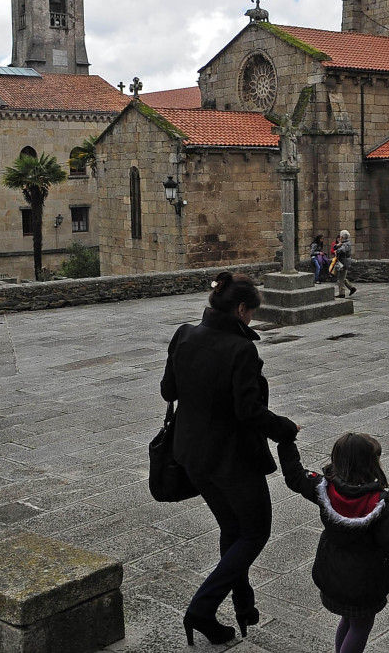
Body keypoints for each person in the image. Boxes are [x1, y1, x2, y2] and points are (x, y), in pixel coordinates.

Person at [160, 271, 300, 646]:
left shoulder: (184, 334)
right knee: (255, 532)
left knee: (232, 529)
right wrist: (285, 428)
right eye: (252, 312)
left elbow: (167, 390)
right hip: (232, 461)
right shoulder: (241, 350)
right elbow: (248, 411)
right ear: (241, 309)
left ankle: (241, 602)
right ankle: (202, 609)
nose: (252, 319)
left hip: (190, 456)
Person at [277, 433, 389, 653]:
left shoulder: (323, 488)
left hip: (333, 572)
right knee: (361, 625)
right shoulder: (377, 503)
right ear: (371, 464)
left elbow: (295, 476)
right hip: (364, 581)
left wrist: (285, 440)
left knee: (349, 619)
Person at [334, 229, 357, 298]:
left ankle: (342, 293)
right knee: (342, 277)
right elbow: (334, 247)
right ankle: (351, 288)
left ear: (342, 237)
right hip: (343, 262)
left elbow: (342, 250)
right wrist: (338, 245)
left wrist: (337, 250)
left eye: (341, 236)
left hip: (344, 263)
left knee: (340, 278)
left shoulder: (346, 243)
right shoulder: (344, 243)